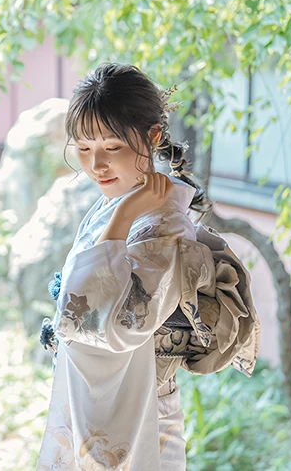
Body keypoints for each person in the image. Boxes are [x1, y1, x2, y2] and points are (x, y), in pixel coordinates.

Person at [36, 63, 260, 471]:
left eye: (112, 148)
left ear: (152, 136)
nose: (96, 165)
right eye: (84, 149)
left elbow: (106, 324)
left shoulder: (162, 225)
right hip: (106, 400)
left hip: (140, 414)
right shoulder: (116, 202)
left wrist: (124, 218)